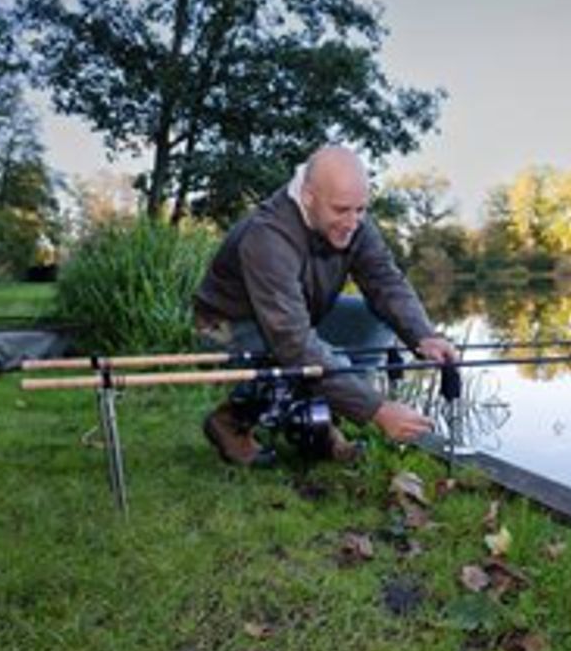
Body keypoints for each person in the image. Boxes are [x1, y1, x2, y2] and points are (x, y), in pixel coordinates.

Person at [192, 145, 457, 466]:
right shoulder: (267, 237)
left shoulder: (353, 219)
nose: (352, 222)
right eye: (342, 210)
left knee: (374, 320)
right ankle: (231, 421)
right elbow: (293, 341)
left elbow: (385, 280)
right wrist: (377, 410)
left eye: (361, 209)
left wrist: (423, 335)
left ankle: (323, 416)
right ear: (307, 197)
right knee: (296, 357)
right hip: (228, 324)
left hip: (297, 312)